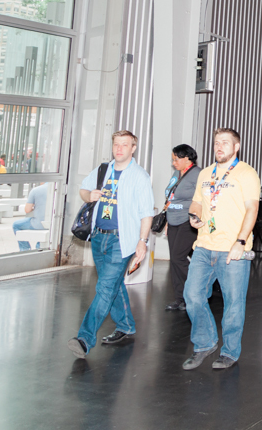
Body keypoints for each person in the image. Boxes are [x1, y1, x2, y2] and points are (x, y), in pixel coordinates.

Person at [68, 130, 154, 359]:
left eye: (125, 145)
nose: (119, 149)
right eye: (116, 144)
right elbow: (83, 190)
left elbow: (147, 214)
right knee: (113, 284)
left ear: (133, 148)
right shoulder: (102, 170)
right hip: (98, 236)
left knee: (104, 288)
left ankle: (84, 339)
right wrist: (90, 196)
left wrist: (142, 242)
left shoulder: (140, 177)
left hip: (121, 240)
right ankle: (126, 325)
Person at [182, 128, 260, 371]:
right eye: (217, 142)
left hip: (232, 249)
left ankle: (229, 352)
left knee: (233, 303)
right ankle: (205, 343)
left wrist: (240, 242)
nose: (219, 147)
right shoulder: (206, 173)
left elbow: (252, 209)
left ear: (236, 147)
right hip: (204, 246)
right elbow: (197, 201)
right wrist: (194, 214)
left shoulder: (246, 173)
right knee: (192, 297)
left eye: (225, 143)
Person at [163, 144, 201, 311]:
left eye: (176, 159)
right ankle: (180, 298)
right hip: (172, 220)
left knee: (179, 258)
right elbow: (170, 198)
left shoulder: (198, 174)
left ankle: (194, 293)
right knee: (174, 261)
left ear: (187, 158)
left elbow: (201, 199)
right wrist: (166, 221)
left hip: (188, 221)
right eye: (172, 159)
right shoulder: (176, 174)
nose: (174, 162)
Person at [13, 181, 51, 251]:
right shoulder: (58, 190)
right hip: (53, 224)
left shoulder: (35, 190)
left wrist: (34, 207)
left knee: (16, 225)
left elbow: (27, 210)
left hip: (38, 224)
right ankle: (39, 246)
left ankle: (25, 249)